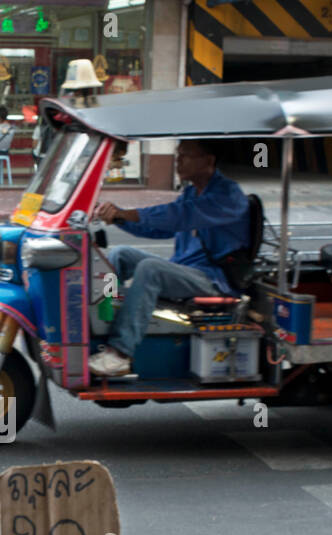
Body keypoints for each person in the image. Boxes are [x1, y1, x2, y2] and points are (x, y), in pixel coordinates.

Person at [87, 139, 251, 378]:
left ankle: (120, 353)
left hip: (214, 280)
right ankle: (106, 315)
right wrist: (120, 219)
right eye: (177, 154)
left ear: (208, 161)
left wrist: (127, 212)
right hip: (185, 269)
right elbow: (160, 229)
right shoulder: (190, 192)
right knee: (120, 254)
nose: (178, 160)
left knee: (151, 268)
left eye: (185, 155)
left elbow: (177, 216)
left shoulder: (228, 196)